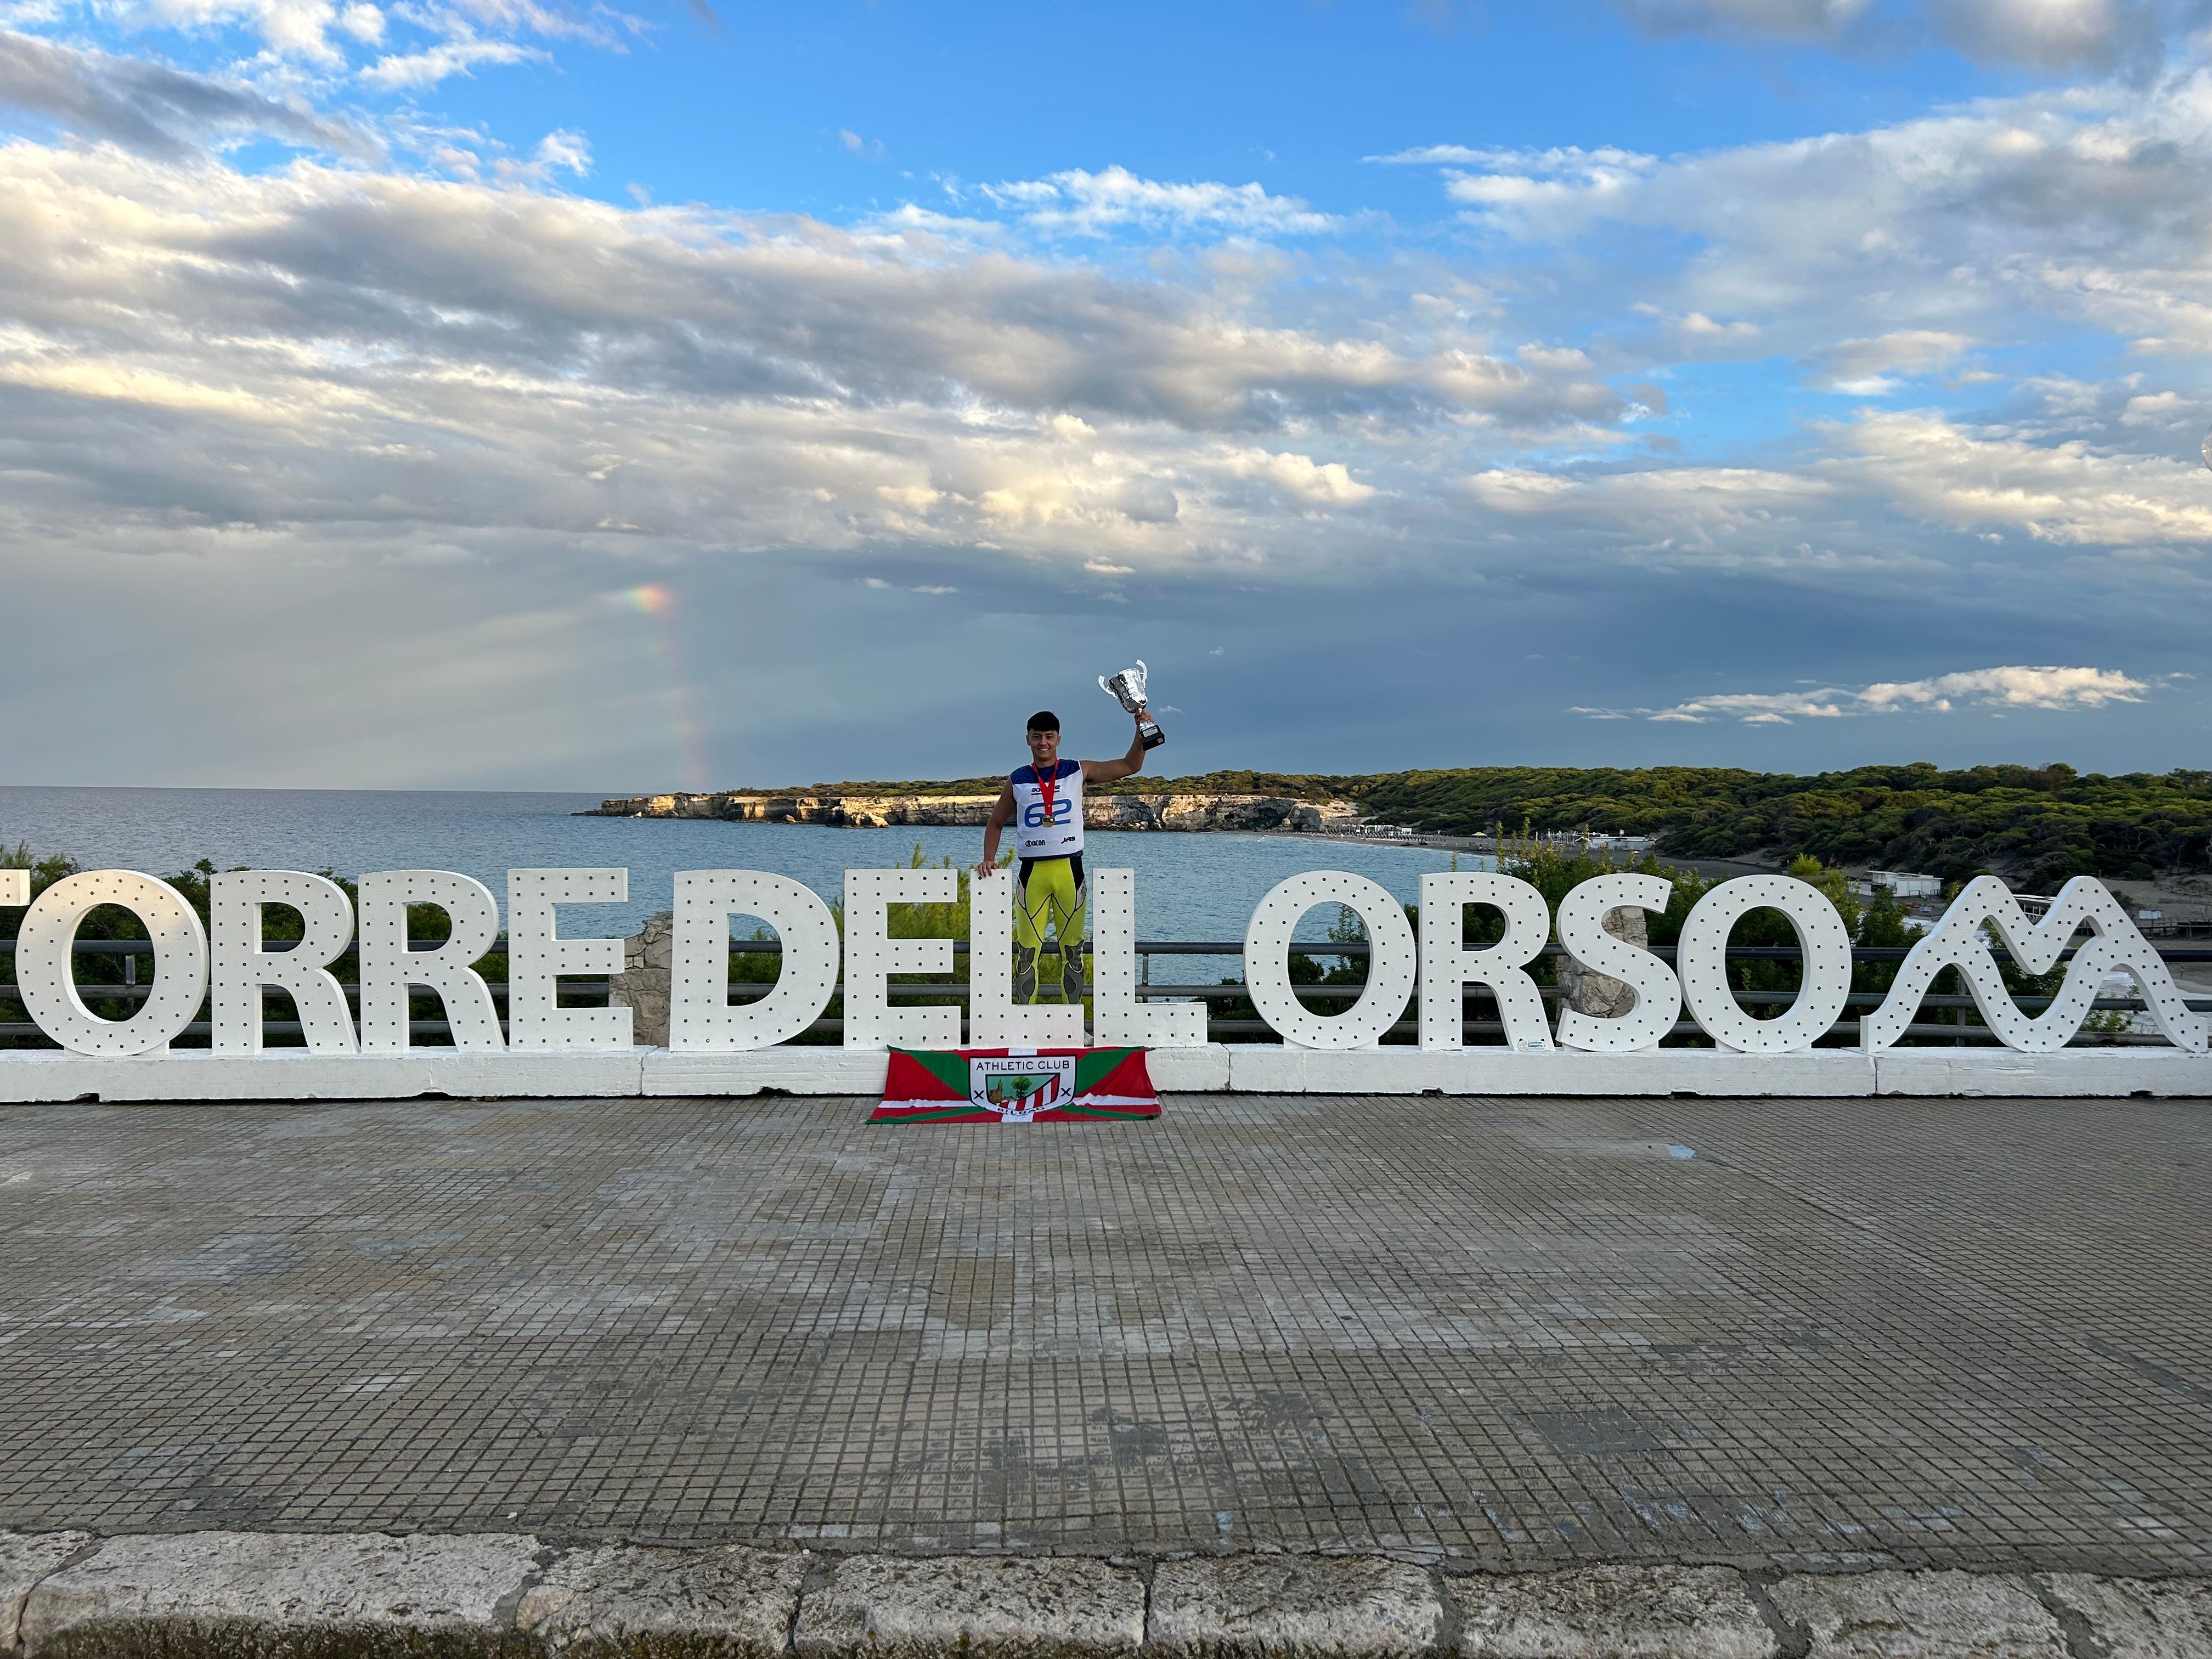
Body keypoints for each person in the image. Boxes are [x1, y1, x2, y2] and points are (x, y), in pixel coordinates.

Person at [976, 706, 1152, 1005]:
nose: (1043, 743)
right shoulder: (1017, 779)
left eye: (1049, 736)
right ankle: (1024, 1025)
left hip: (1071, 872)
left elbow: (1129, 765)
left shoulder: (1078, 771)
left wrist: (1141, 731)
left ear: (1058, 739)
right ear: (1028, 740)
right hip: (1032, 874)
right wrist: (988, 857)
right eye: (1036, 737)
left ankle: (1073, 1025)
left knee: (1073, 953)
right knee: (1026, 953)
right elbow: (995, 823)